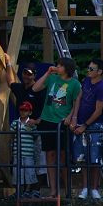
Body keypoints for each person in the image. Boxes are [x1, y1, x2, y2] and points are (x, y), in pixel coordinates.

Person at [32, 57, 81, 196]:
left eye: (59, 66)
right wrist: (47, 73)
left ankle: (67, 189)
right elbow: (35, 88)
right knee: (50, 154)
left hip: (62, 122)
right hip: (47, 119)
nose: (57, 67)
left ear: (66, 68)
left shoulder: (74, 84)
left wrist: (71, 116)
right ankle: (54, 190)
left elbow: (76, 102)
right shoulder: (52, 78)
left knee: (63, 155)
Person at [70, 59, 103, 198]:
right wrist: (74, 118)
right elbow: (78, 98)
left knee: (95, 158)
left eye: (92, 69)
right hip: (80, 123)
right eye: (89, 68)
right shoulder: (86, 81)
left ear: (99, 72)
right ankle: (85, 187)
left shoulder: (101, 88)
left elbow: (99, 110)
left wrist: (85, 125)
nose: (89, 70)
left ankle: (95, 188)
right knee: (82, 158)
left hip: (94, 125)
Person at [11, 101, 39, 197]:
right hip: (17, 152)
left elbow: (36, 136)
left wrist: (32, 128)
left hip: (28, 153)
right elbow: (11, 135)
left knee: (29, 172)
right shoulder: (15, 123)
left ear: (30, 112)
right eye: (21, 110)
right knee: (17, 172)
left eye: (25, 110)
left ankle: (27, 191)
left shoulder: (32, 124)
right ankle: (19, 191)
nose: (23, 112)